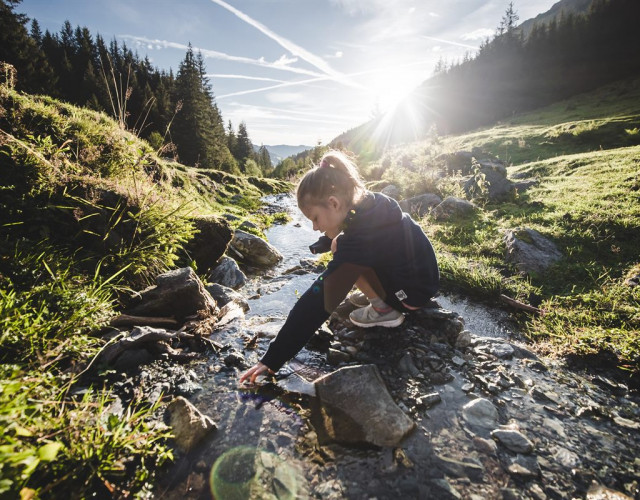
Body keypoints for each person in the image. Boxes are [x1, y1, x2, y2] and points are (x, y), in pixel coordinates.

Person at [240, 150, 439, 384]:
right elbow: (357, 233)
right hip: (420, 279)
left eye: (315, 218)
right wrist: (323, 242)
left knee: (341, 250)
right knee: (339, 244)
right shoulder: (373, 205)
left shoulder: (363, 240)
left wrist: (272, 358)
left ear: (333, 203)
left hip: (411, 295)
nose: (315, 227)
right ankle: (380, 298)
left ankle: (385, 311)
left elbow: (319, 300)